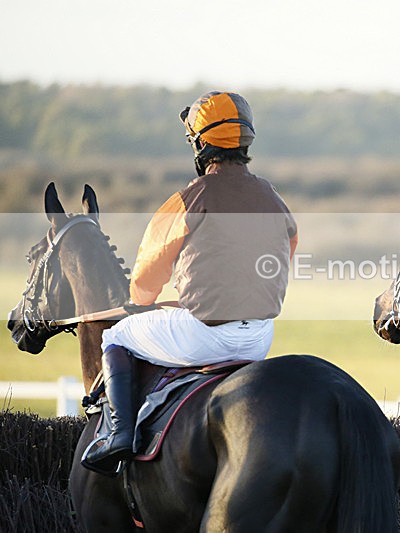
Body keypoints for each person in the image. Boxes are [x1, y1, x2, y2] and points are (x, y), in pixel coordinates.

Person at [82, 91, 298, 474]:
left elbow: (147, 276)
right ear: (245, 140)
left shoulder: (188, 198)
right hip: (260, 337)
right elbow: (283, 255)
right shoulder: (274, 198)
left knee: (115, 336)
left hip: (206, 335)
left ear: (201, 144)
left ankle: (118, 434)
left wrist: (144, 301)